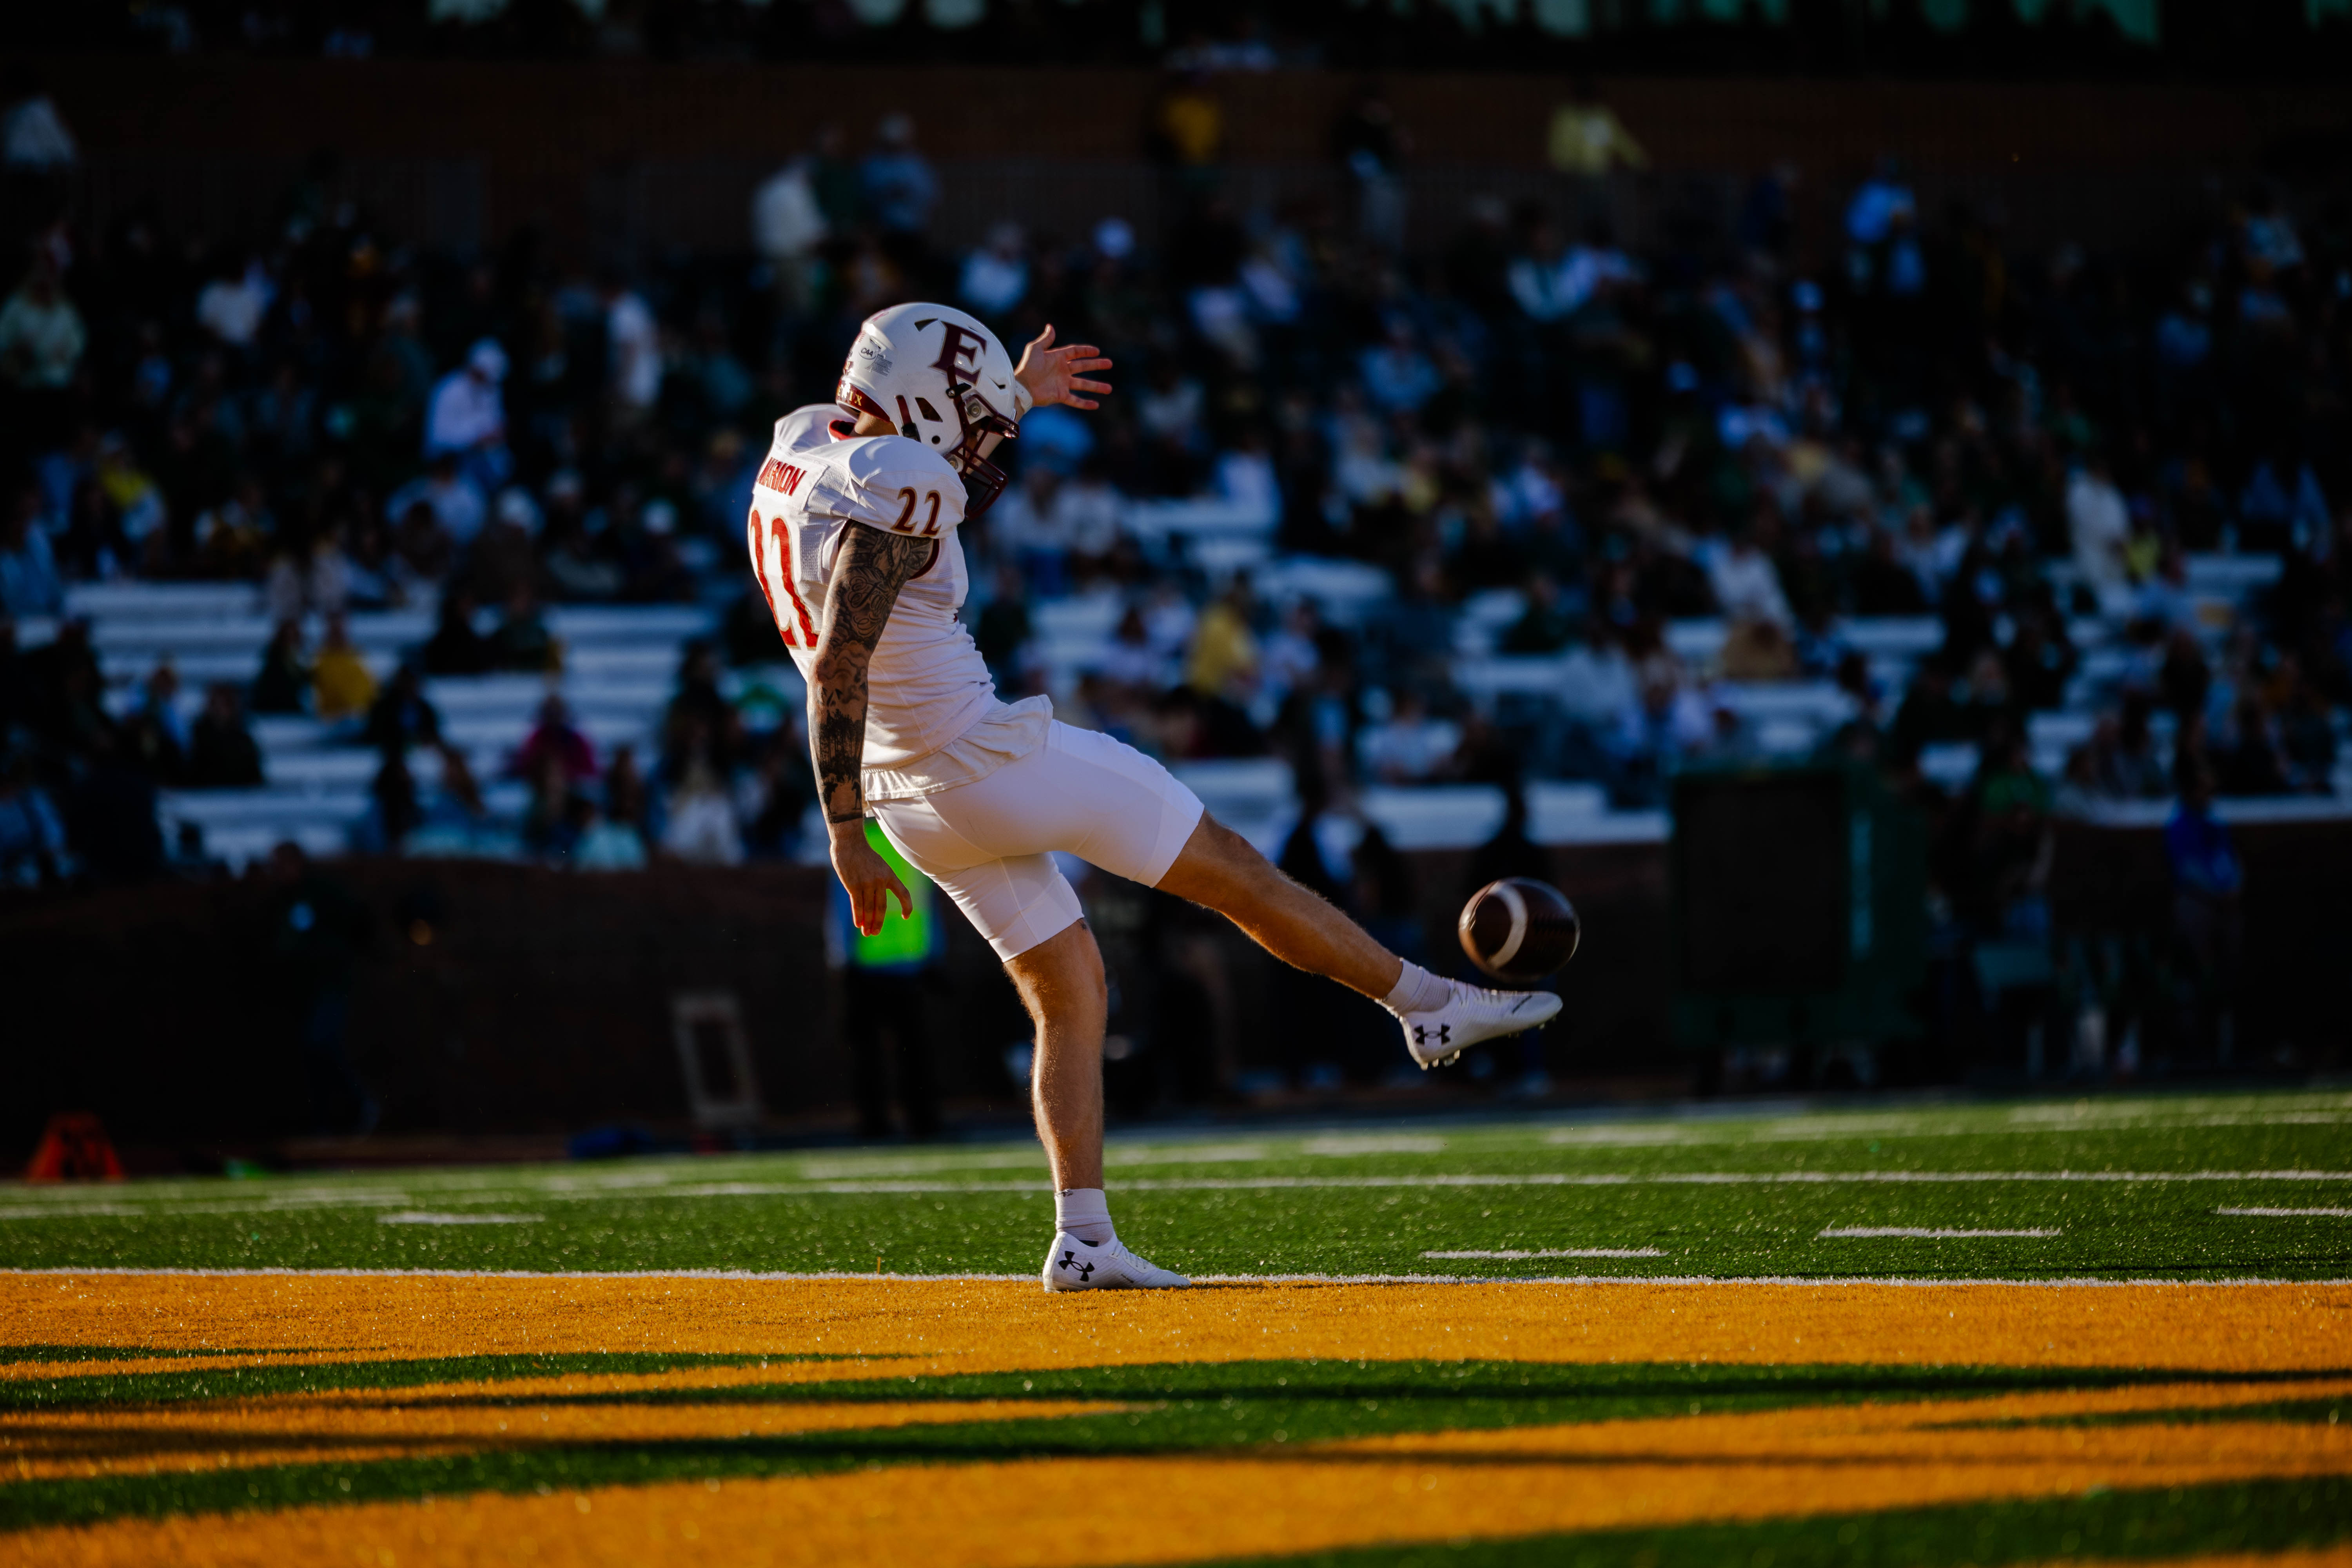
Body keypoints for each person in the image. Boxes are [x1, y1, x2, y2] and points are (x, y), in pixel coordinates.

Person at [746, 302, 1559, 1293]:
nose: (984, 440)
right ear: (922, 406)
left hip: (910, 800)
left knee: (1070, 989)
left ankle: (1084, 1239)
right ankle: (1426, 1004)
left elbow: (896, 554)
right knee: (1236, 872)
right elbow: (842, 661)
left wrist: (1016, 393)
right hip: (988, 761)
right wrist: (841, 830)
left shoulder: (803, 447)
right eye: (972, 415)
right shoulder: (901, 477)